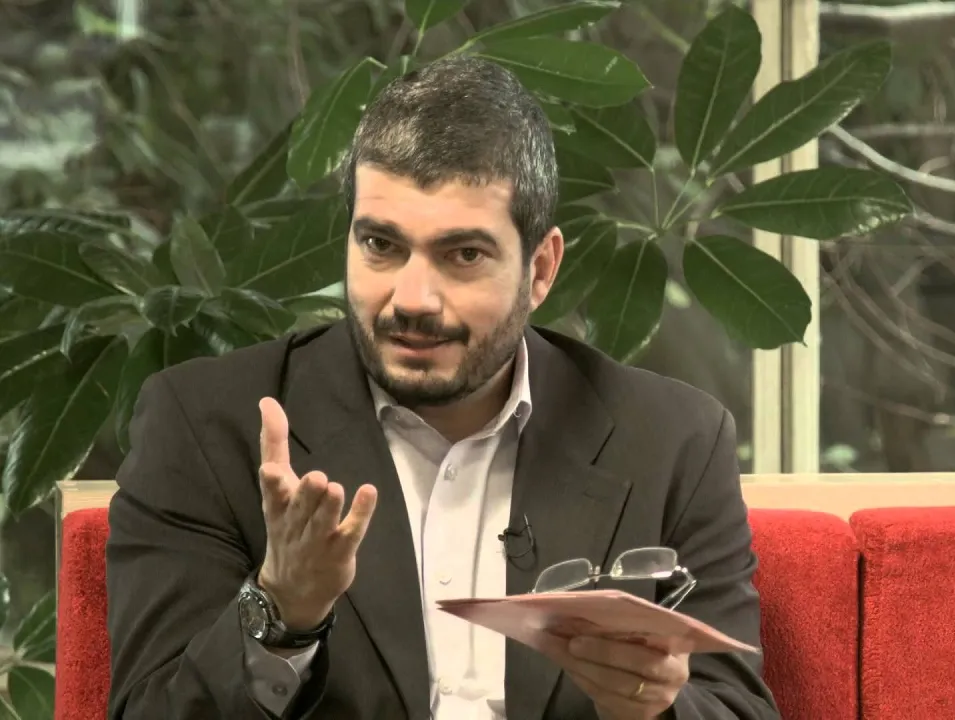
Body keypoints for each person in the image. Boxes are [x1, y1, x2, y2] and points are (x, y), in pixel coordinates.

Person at [104, 55, 779, 720]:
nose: (412, 299)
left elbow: (734, 706)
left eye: (463, 255)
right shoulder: (205, 426)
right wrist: (281, 611)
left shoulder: (671, 440)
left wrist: (652, 707)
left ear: (541, 270)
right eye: (381, 246)